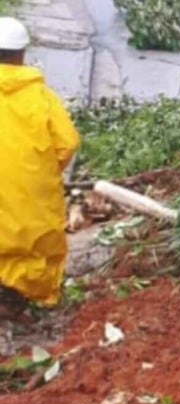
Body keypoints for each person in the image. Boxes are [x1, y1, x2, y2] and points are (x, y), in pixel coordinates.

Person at [0, 17, 80, 322]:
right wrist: (42, 171)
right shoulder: (41, 97)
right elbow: (68, 142)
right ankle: (17, 293)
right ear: (21, 55)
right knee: (36, 234)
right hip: (29, 199)